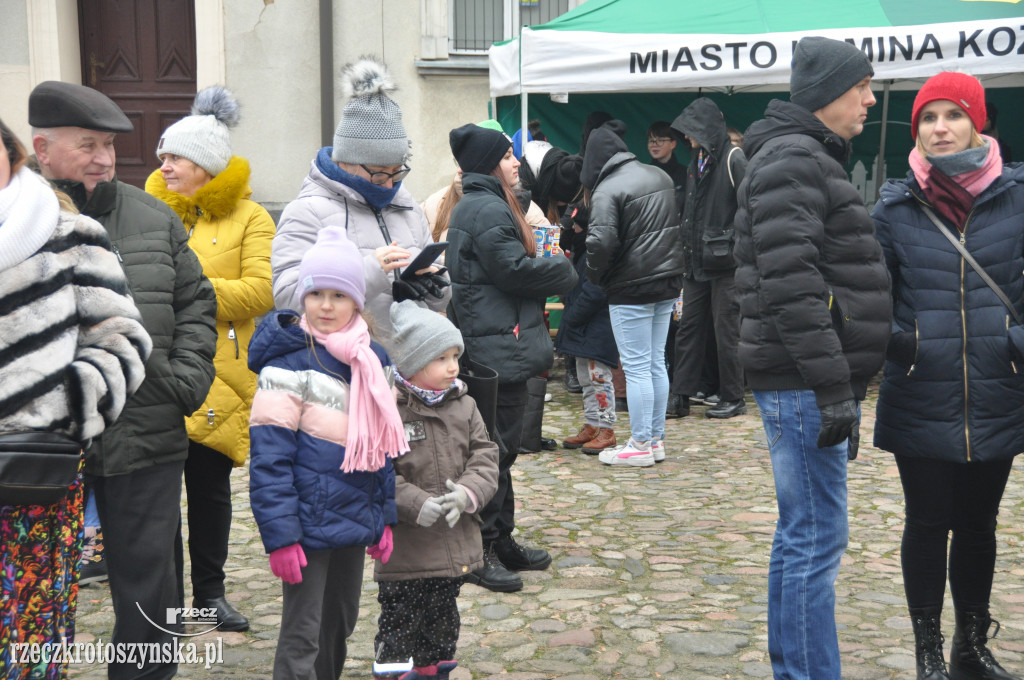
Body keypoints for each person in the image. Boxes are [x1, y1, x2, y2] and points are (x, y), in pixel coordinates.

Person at [29, 80, 217, 680]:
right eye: (87, 144)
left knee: (150, 587)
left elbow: (196, 301)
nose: (104, 158)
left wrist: (183, 379)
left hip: (146, 426)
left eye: (108, 145)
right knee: (33, 591)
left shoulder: (153, 217)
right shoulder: (14, 224)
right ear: (42, 149)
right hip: (43, 439)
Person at [732, 37, 891, 679]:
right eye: (862, 88)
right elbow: (791, 282)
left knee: (804, 533)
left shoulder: (799, 156)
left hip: (804, 377)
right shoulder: (794, 159)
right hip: (802, 380)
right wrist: (832, 386)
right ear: (830, 93)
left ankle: (797, 668)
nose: (871, 99)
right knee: (816, 537)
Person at [873, 72, 1024, 680]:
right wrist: (905, 344)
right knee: (928, 521)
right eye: (928, 118)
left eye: (953, 115)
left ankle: (970, 644)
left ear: (977, 123)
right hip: (922, 385)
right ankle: (929, 649)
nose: (940, 128)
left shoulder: (1017, 198)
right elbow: (872, 298)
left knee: (980, 524)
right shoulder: (894, 206)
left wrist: (1015, 344)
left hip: (998, 384)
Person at [0, 118, 150, 680]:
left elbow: (123, 338)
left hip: (34, 472)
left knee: (32, 632)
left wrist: (64, 407)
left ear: (12, 152)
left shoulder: (68, 233)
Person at [146, 85, 276, 633]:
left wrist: (189, 289)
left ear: (204, 164)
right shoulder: (148, 212)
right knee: (154, 496)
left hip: (220, 374)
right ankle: (164, 600)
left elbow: (262, 291)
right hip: (153, 369)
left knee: (208, 488)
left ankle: (209, 595)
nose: (164, 165)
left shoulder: (251, 218)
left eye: (174, 157)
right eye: (164, 158)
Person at [249, 227, 405, 680]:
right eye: (316, 293)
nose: (326, 305)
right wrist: (281, 535)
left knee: (340, 622)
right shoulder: (286, 365)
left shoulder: (374, 363)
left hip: (354, 517)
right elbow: (270, 460)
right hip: (305, 523)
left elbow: (382, 454)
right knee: (303, 631)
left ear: (357, 301)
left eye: (339, 294)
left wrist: (384, 518)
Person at [445, 123, 577, 592]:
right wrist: (562, 265)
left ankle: (501, 539)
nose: (515, 161)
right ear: (487, 166)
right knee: (492, 453)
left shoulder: (493, 204)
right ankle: (478, 550)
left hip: (504, 344)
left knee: (504, 451)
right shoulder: (484, 209)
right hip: (494, 349)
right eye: (506, 156)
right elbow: (514, 272)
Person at [272, 56, 450, 342]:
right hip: (344, 369)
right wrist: (369, 273)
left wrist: (434, 285)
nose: (390, 184)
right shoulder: (305, 212)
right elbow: (289, 301)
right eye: (380, 174)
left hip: (411, 370)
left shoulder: (406, 205)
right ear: (348, 160)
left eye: (397, 172)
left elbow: (440, 299)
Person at [371, 300, 499, 680]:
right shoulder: (390, 411)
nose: (453, 366)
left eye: (455, 355)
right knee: (399, 623)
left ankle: (433, 671)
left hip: (452, 544)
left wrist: (467, 493)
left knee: (443, 621)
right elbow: (378, 472)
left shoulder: (466, 405)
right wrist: (415, 503)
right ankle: (394, 673)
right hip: (407, 550)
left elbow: (485, 456)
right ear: (411, 363)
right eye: (440, 358)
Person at [583, 120, 684, 468]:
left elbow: (600, 242)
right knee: (656, 361)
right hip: (668, 280)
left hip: (631, 286)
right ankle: (653, 440)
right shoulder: (660, 176)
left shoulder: (607, 189)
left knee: (639, 366)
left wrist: (595, 276)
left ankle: (641, 444)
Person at [668, 98, 748, 420]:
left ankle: (733, 397)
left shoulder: (734, 158)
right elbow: (690, 211)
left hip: (726, 265)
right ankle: (680, 396)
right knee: (687, 328)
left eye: (691, 131)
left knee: (726, 331)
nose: (687, 137)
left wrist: (733, 245)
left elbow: (749, 209)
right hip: (695, 262)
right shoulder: (696, 160)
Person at [556, 201, 620, 456]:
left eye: (578, 227)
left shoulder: (597, 254)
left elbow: (594, 292)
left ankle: (607, 428)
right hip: (582, 327)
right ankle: (593, 424)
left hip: (595, 326)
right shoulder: (580, 251)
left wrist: (572, 316)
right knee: (586, 378)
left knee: (599, 378)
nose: (574, 232)